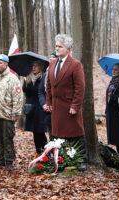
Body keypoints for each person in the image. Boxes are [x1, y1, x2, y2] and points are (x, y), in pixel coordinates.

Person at [45, 34, 86, 170]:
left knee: (74, 133)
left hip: (69, 106)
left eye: (60, 46)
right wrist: (48, 102)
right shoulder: (52, 63)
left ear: (68, 48)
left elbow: (80, 87)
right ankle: (61, 159)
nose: (57, 49)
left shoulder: (75, 64)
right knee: (58, 134)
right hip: (56, 106)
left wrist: (75, 105)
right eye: (56, 46)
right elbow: (49, 85)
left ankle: (79, 160)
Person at [23, 60, 47, 154]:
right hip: (31, 108)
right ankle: (38, 152)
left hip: (40, 108)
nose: (33, 68)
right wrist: (24, 81)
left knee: (40, 131)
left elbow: (42, 92)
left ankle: (45, 152)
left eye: (36, 66)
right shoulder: (28, 77)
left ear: (40, 67)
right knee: (35, 131)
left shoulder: (43, 77)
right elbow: (25, 91)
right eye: (32, 66)